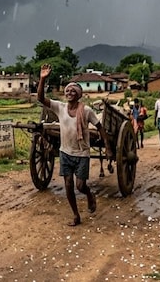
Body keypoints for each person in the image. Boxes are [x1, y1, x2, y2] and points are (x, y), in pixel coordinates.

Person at [37, 64, 112, 227]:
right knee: (69, 185)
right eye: (68, 90)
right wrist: (42, 79)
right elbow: (41, 99)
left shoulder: (86, 111)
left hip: (82, 153)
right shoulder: (60, 107)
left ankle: (89, 194)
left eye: (73, 91)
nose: (70, 93)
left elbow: (100, 127)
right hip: (65, 152)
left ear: (78, 95)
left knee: (80, 186)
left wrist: (107, 146)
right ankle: (76, 215)